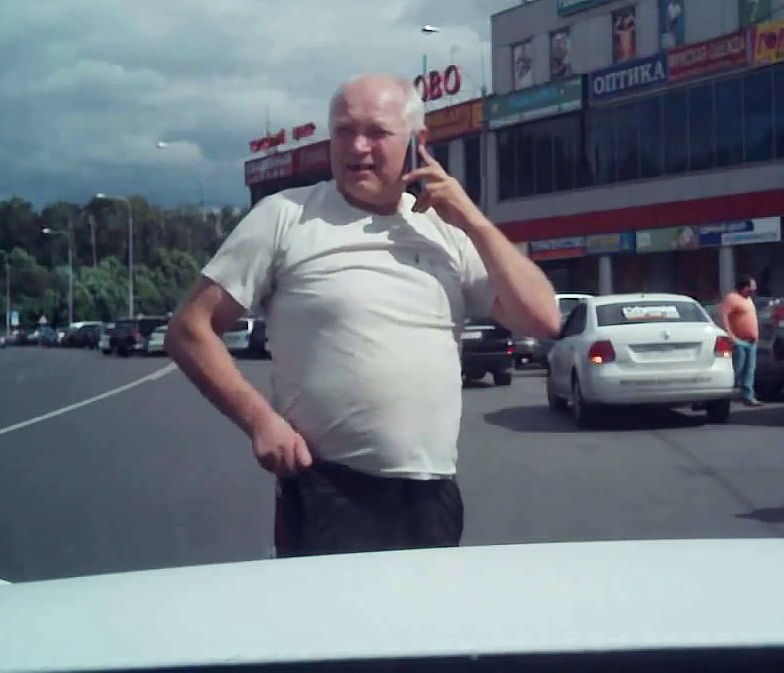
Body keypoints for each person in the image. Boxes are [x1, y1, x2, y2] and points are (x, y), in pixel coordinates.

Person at [165, 74, 561, 557]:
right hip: (328, 488)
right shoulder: (286, 216)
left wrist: (471, 217)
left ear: (417, 142)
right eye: (343, 131)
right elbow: (190, 330)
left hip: (432, 490)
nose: (357, 147)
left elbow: (543, 319)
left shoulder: (445, 231)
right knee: (332, 630)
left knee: (428, 631)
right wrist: (261, 423)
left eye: (376, 132)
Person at [719, 275, 762, 407]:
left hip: (751, 342)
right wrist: (730, 335)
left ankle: (748, 396)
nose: (754, 289)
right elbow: (724, 316)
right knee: (736, 369)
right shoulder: (731, 299)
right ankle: (721, 396)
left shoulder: (748, 299)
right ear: (744, 287)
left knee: (749, 370)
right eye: (751, 286)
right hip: (739, 341)